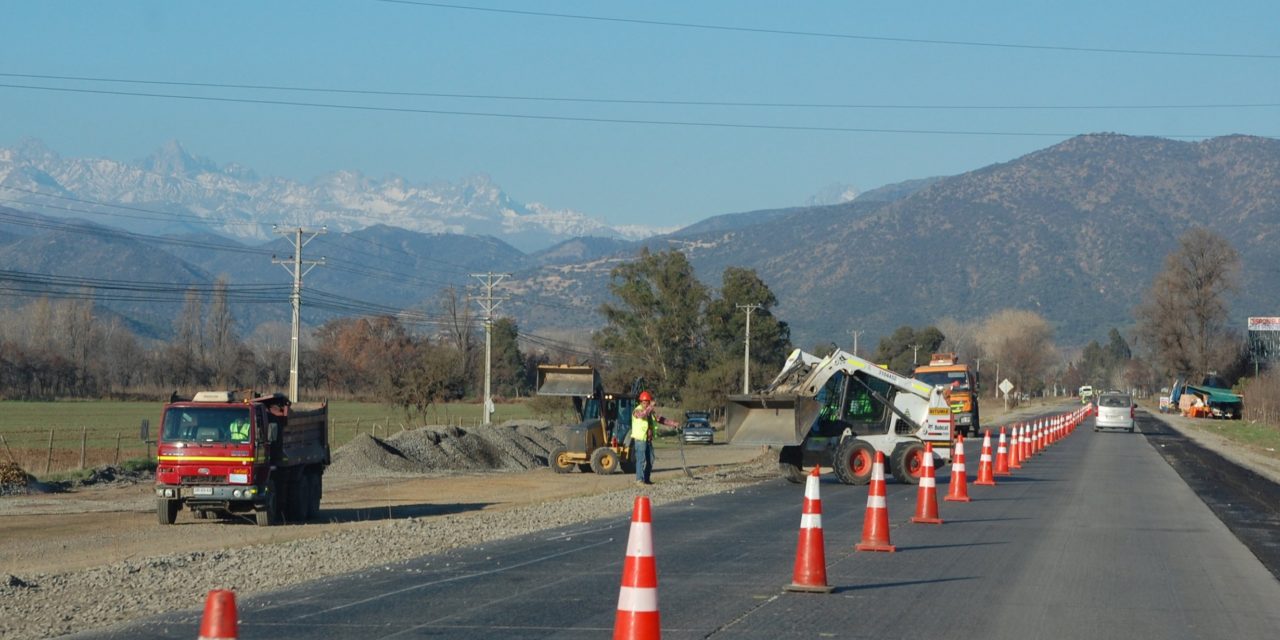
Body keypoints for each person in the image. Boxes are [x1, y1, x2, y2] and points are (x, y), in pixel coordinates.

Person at [631, 390, 677, 486]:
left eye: (647, 402)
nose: (646, 404)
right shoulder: (637, 410)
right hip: (640, 440)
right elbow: (642, 415)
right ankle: (639, 480)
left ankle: (647, 479)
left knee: (651, 459)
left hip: (648, 440)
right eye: (644, 402)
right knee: (641, 460)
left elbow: (660, 419)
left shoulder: (650, 412)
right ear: (641, 402)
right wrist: (650, 407)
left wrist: (672, 423)